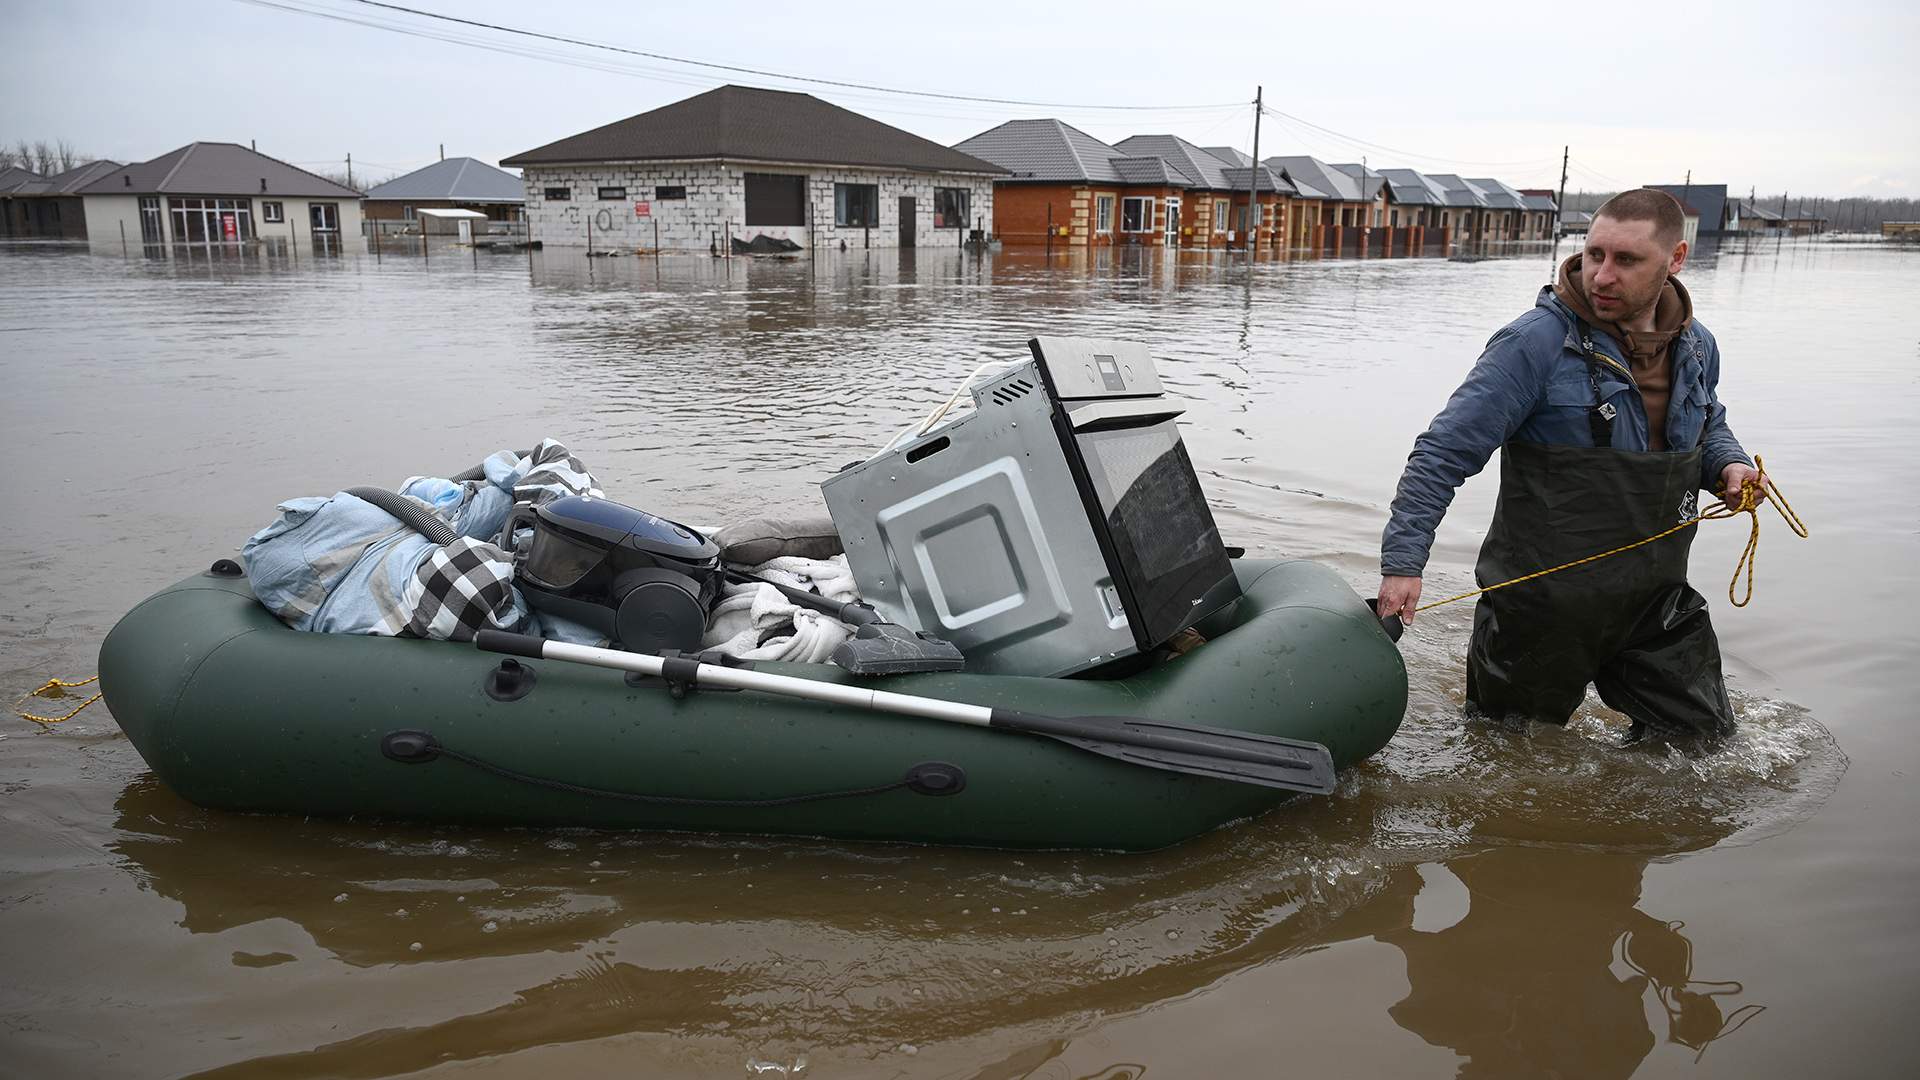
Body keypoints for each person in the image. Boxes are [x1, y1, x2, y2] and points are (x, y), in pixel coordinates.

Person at [1377, 188, 1763, 743]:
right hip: (1539, 609)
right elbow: (1441, 455)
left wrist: (1731, 466)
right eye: (1594, 254)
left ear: (1675, 259)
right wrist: (1404, 563)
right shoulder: (1531, 345)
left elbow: (1709, 426)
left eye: (1627, 260)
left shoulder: (1697, 346)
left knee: (1702, 745)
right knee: (1506, 759)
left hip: (1656, 602)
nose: (1601, 276)